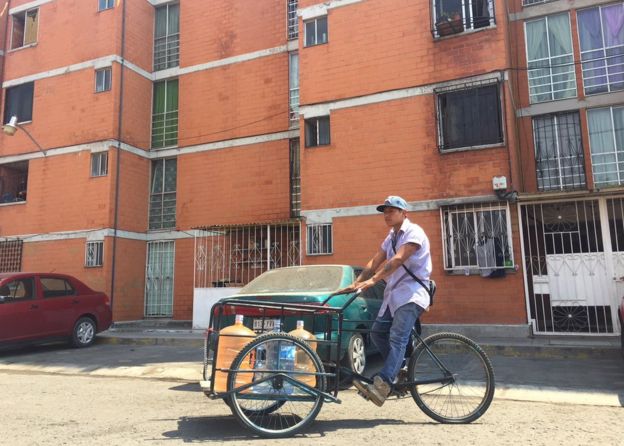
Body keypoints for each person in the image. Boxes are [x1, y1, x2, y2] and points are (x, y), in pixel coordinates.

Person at [340, 195, 432, 406]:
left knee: (397, 338)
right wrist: (357, 282)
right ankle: (400, 370)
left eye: (392, 210)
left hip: (412, 294)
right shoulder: (390, 237)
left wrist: (373, 280)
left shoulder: (414, 232)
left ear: (404, 213)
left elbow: (399, 259)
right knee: (378, 333)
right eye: (385, 211)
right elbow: (375, 260)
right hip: (394, 294)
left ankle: (384, 383)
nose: (387, 215)